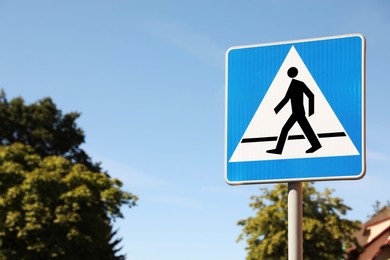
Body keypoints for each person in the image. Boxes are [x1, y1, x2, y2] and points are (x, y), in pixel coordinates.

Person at [267, 67, 322, 155]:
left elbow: (311, 95)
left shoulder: (297, 84)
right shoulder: (294, 84)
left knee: (286, 129)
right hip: (297, 112)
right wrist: (276, 109)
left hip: (298, 112)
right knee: (305, 129)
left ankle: (279, 149)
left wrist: (311, 111)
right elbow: (287, 98)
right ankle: (316, 145)